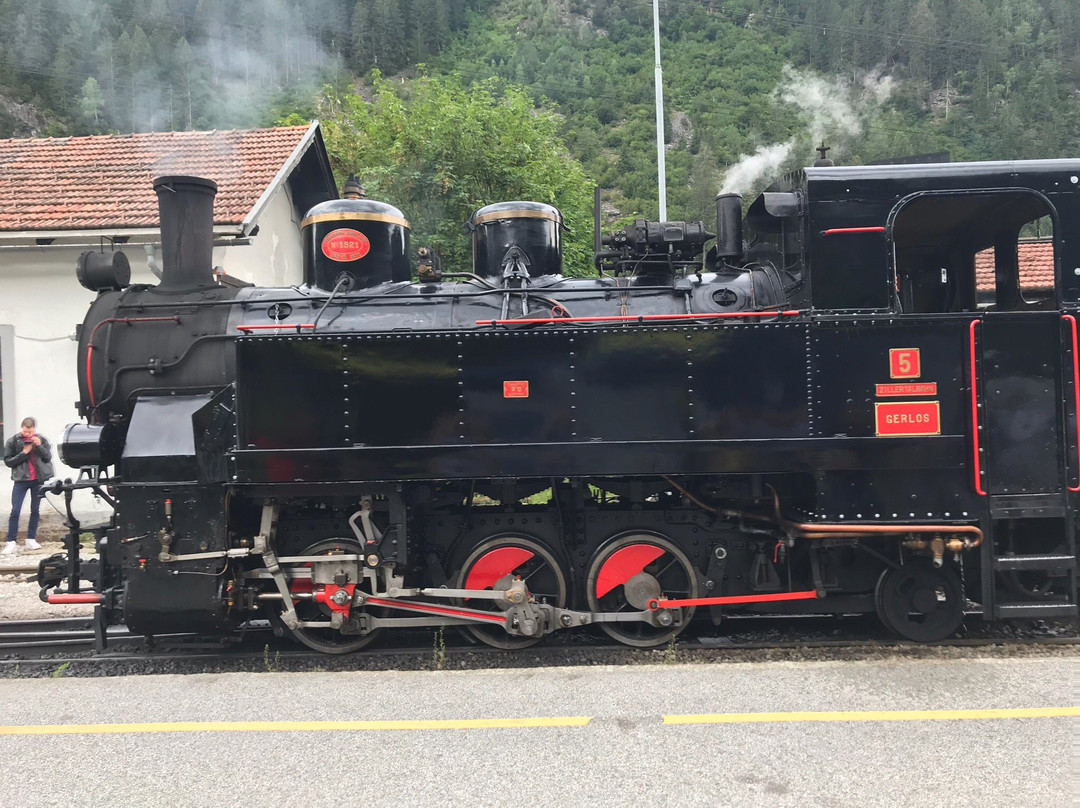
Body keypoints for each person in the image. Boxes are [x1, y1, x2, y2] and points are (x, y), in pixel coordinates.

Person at [3, 417, 54, 555]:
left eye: (30, 432)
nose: (27, 434)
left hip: (37, 479)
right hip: (20, 480)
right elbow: (8, 461)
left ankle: (31, 539)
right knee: (15, 511)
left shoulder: (41, 439)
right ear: (21, 428)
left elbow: (47, 457)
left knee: (35, 510)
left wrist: (39, 446)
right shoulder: (13, 441)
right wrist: (24, 453)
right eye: (25, 431)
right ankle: (11, 542)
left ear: (34, 430)